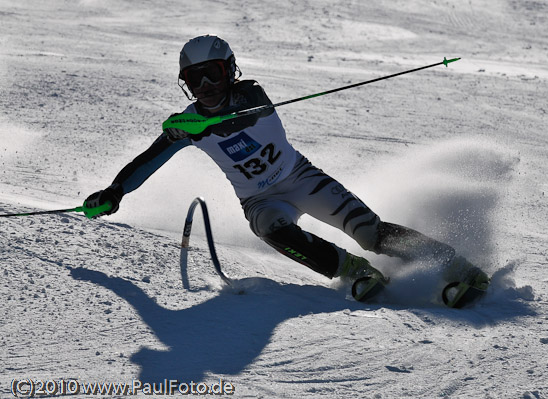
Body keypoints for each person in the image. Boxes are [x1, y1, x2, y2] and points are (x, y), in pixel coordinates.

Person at [84, 35, 488, 302]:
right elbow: (146, 162)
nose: (206, 84)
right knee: (268, 228)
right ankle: (356, 273)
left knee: (369, 231)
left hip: (301, 179)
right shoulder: (188, 124)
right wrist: (116, 191)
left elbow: (238, 118)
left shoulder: (250, 94)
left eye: (214, 73)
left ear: (231, 71)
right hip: (260, 199)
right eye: (195, 78)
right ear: (185, 83)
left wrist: (197, 124)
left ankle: (458, 267)